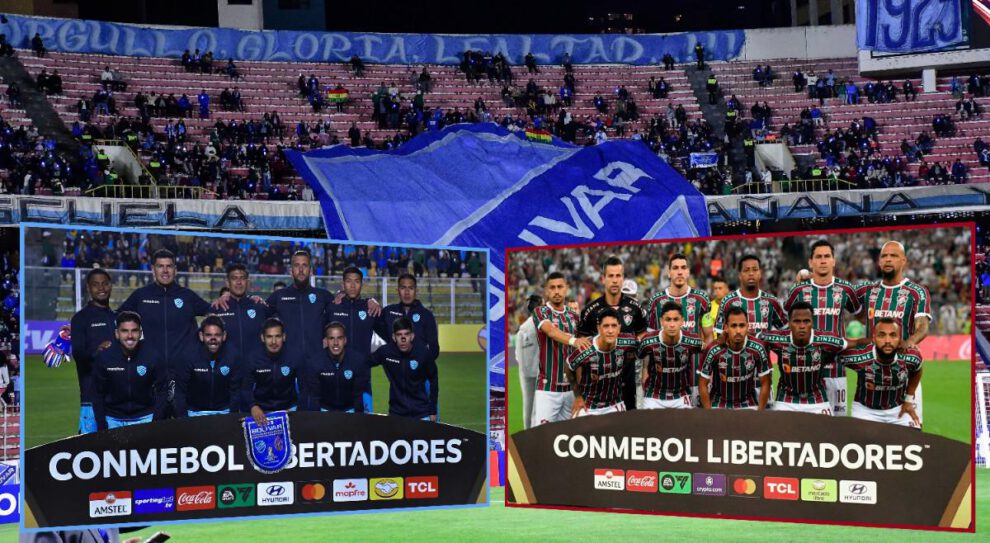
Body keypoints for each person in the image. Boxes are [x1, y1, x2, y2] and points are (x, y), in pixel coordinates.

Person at [118, 249, 214, 410]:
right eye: (160, 266)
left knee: (184, 429)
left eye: (169, 266)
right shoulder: (141, 296)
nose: (165, 270)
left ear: (175, 269)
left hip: (184, 376)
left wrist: (233, 300)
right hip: (152, 376)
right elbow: (114, 317)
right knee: (154, 430)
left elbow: (216, 312)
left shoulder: (187, 296)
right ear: (152, 269)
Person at [783, 239, 862, 415]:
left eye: (827, 256)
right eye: (818, 257)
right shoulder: (799, 291)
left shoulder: (846, 290)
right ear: (811, 262)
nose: (823, 260)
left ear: (834, 260)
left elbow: (861, 314)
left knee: (837, 428)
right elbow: (784, 322)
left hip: (836, 371)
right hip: (804, 372)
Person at [856, 240, 931, 420]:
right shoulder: (867, 291)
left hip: (905, 376)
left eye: (893, 255)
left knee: (910, 440)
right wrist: (808, 277)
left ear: (903, 260)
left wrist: (908, 342)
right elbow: (837, 291)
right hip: (872, 376)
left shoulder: (916, 292)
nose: (888, 259)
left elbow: (923, 326)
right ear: (879, 262)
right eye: (884, 256)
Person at [577, 256, 647, 412]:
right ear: (603, 279)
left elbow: (643, 338)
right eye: (611, 276)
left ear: (623, 279)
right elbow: (580, 346)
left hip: (627, 382)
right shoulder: (590, 310)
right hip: (597, 387)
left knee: (627, 429)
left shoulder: (635, 308)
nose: (615, 280)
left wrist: (642, 366)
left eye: (618, 276)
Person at [759, 301, 851, 415]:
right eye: (797, 321)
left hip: (818, 402)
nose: (802, 326)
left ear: (812, 322)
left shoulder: (825, 340)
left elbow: (851, 344)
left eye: (806, 321)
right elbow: (755, 338)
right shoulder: (778, 338)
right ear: (789, 323)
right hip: (785, 401)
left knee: (826, 432)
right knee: (779, 432)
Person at [646, 253, 713, 404]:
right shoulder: (656, 301)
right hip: (662, 382)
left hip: (696, 377)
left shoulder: (701, 299)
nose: (680, 272)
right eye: (675, 268)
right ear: (668, 273)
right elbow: (649, 342)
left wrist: (709, 369)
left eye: (683, 268)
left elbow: (709, 336)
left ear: (688, 272)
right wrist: (645, 372)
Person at [839, 318, 922, 428]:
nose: (887, 340)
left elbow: (918, 369)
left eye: (893, 335)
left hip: (898, 410)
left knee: (914, 441)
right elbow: (827, 356)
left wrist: (908, 400)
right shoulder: (858, 357)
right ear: (873, 338)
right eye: (881, 335)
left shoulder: (911, 357)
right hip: (865, 411)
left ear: (900, 340)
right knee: (865, 443)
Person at [92, 311, 167, 430]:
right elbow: (97, 394)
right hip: (112, 420)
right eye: (124, 331)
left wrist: (156, 422)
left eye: (134, 330)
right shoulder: (104, 358)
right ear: (117, 333)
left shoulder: (153, 356)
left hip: (145, 418)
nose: (130, 336)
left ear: (140, 333)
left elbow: (163, 391)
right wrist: (102, 425)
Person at [532, 273, 588, 425]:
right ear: (546, 291)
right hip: (548, 389)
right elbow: (551, 331)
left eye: (560, 287)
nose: (556, 291)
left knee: (566, 440)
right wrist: (574, 340)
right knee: (543, 438)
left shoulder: (575, 317)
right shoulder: (541, 312)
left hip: (570, 391)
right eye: (552, 287)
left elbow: (579, 357)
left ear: (566, 289)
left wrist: (579, 393)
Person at [68, 269, 116, 433]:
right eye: (95, 284)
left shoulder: (117, 317)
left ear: (110, 286)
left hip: (118, 401)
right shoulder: (81, 319)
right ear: (88, 288)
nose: (101, 288)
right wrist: (98, 351)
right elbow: (79, 355)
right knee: (89, 454)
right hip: (91, 400)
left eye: (104, 283)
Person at [565, 308, 638, 417]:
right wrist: (578, 396)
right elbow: (568, 367)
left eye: (614, 326)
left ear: (619, 328)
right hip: (588, 406)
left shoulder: (628, 342)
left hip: (615, 405)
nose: (610, 330)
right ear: (599, 328)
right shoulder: (585, 349)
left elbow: (647, 346)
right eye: (606, 326)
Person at [698, 306, 771, 410]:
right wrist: (709, 413)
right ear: (726, 328)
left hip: (748, 405)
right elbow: (702, 383)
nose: (738, 330)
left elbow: (766, 382)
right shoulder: (713, 349)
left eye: (742, 326)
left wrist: (760, 412)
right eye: (734, 326)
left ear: (747, 326)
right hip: (718, 405)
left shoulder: (758, 348)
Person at [266, 250, 334, 360]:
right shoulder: (278, 296)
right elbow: (258, 314)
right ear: (291, 271)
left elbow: (343, 309)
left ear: (311, 271)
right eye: (297, 266)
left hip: (316, 362)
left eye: (305, 265)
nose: (301, 270)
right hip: (287, 363)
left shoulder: (323, 296)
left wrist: (370, 301)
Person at [369, 317, 439, 421]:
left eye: (406, 334)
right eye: (399, 335)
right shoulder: (385, 353)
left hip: (421, 413)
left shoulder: (423, 353)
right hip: (396, 414)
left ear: (412, 336)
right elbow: (363, 363)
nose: (403, 339)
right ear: (393, 337)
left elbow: (434, 380)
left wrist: (433, 410)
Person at [638, 301, 702, 409]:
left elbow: (710, 351)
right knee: (648, 425)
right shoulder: (648, 341)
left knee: (688, 425)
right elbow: (639, 355)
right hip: (654, 395)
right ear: (661, 321)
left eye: (676, 319)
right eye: (668, 319)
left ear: (682, 321)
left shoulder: (692, 340)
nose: (672, 324)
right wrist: (644, 372)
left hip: (682, 395)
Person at [174, 316, 242, 416]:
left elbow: (236, 392)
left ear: (224, 336)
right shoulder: (188, 356)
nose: (213, 339)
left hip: (224, 412)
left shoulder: (234, 357)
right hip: (194, 412)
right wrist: (185, 420)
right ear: (201, 336)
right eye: (208, 335)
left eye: (217, 335)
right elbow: (180, 393)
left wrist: (231, 416)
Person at [246, 318, 303, 426]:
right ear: (262, 338)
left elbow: (305, 388)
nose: (273, 342)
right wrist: (253, 406)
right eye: (269, 337)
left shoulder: (295, 356)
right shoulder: (252, 358)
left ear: (284, 337)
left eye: (277, 336)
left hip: (290, 409)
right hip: (261, 412)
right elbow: (245, 389)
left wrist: (298, 411)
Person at [302, 321, 369, 412]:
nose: (336, 343)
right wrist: (317, 420)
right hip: (325, 409)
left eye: (339, 338)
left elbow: (358, 395)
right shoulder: (315, 362)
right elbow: (314, 397)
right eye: (331, 338)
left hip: (349, 409)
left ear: (345, 340)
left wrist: (356, 419)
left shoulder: (357, 361)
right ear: (326, 341)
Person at [213, 264, 269, 366]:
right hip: (225, 373)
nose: (239, 282)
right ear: (227, 283)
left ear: (248, 282)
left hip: (256, 372)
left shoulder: (260, 307)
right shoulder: (217, 308)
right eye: (234, 278)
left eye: (242, 278)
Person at [375, 273, 439, 362]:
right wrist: (371, 301)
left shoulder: (426, 315)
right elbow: (374, 324)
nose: (407, 292)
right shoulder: (387, 312)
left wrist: (421, 364)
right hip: (396, 372)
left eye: (411, 288)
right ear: (397, 290)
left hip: (419, 372)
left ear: (416, 291)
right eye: (403, 288)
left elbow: (434, 348)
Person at [514, 294, 543, 429]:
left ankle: (528, 432)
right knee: (538, 407)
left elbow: (517, 355)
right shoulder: (541, 325)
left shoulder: (523, 327)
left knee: (528, 404)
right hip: (538, 371)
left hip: (525, 371)